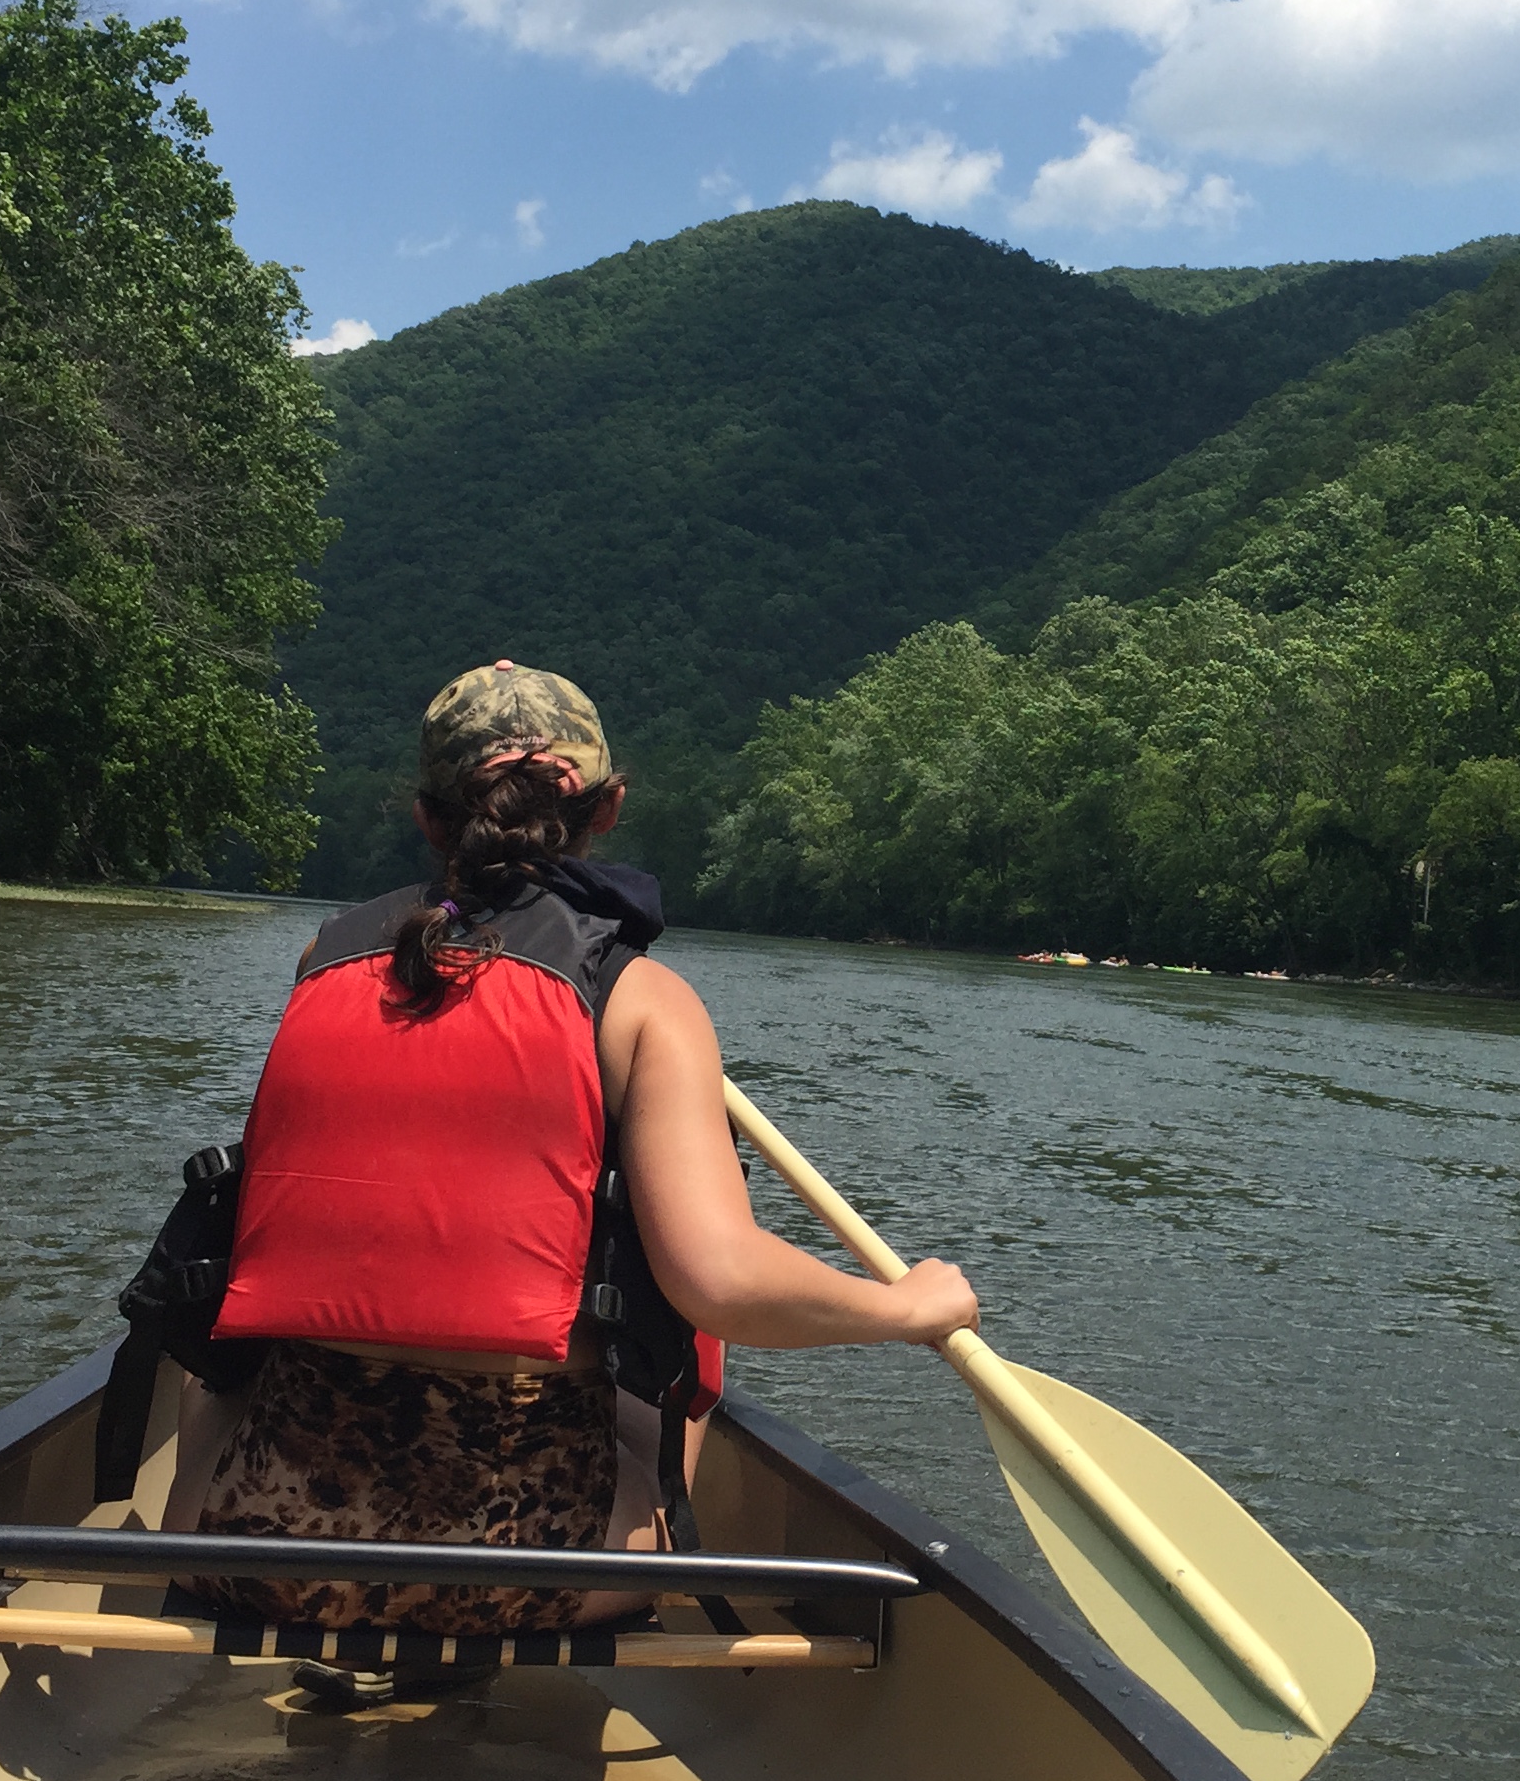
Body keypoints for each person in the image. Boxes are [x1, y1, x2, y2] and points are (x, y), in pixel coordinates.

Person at [176, 659, 976, 1636]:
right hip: (522, 1579)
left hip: (261, 1544)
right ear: (609, 808)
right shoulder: (642, 999)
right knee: (694, 1335)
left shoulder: (324, 959)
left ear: (428, 818)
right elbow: (720, 1281)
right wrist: (901, 1308)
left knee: (222, 1322)